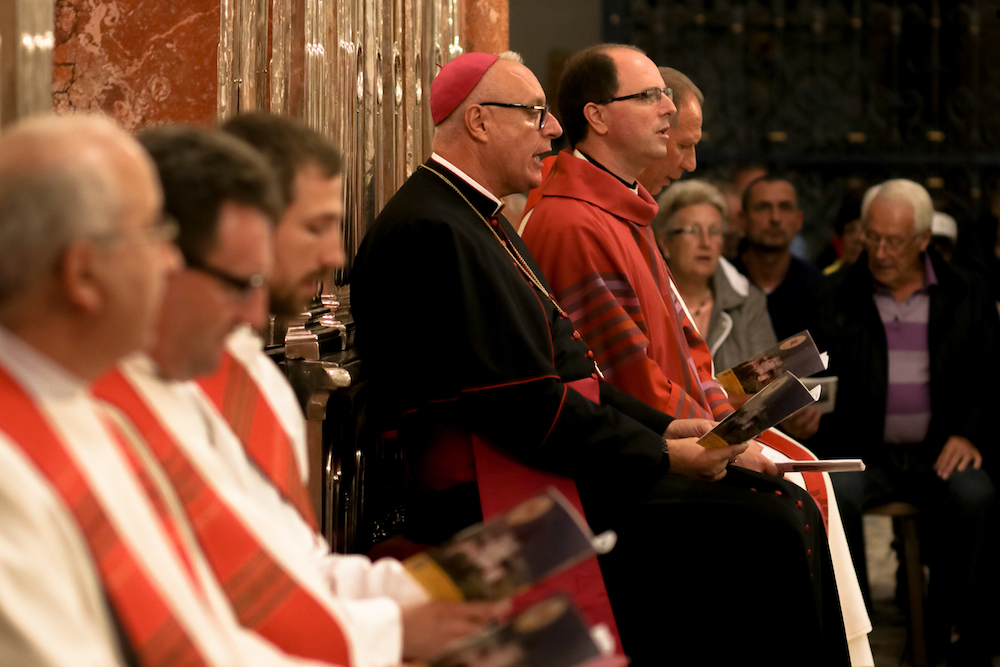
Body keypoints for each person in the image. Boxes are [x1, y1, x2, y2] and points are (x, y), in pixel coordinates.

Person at [93, 125, 502, 667]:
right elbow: (203, 617)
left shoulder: (239, 367)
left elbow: (283, 563)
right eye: (316, 226)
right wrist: (388, 636)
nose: (336, 253)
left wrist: (420, 596)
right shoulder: (119, 402)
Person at [0, 114, 325, 667]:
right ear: (81, 273)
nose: (172, 261)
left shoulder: (91, 415)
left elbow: (204, 631)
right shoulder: (11, 470)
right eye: (154, 235)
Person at [808, 179, 998, 666]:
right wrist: (809, 407)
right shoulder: (835, 292)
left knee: (975, 495)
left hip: (940, 448)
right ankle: (855, 630)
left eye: (895, 241)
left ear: (923, 241)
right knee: (833, 494)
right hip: (863, 449)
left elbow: (990, 374)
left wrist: (969, 433)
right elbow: (812, 373)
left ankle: (952, 629)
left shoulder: (966, 291)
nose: (881, 250)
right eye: (873, 237)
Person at [651, 179, 777, 373]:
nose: (706, 242)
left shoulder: (747, 303)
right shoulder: (647, 300)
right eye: (693, 231)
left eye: (714, 231)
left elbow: (769, 382)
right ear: (665, 243)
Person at [732, 173, 822, 340]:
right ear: (743, 219)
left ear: (799, 219)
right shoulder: (722, 281)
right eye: (763, 207)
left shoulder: (818, 289)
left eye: (785, 207)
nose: (775, 218)